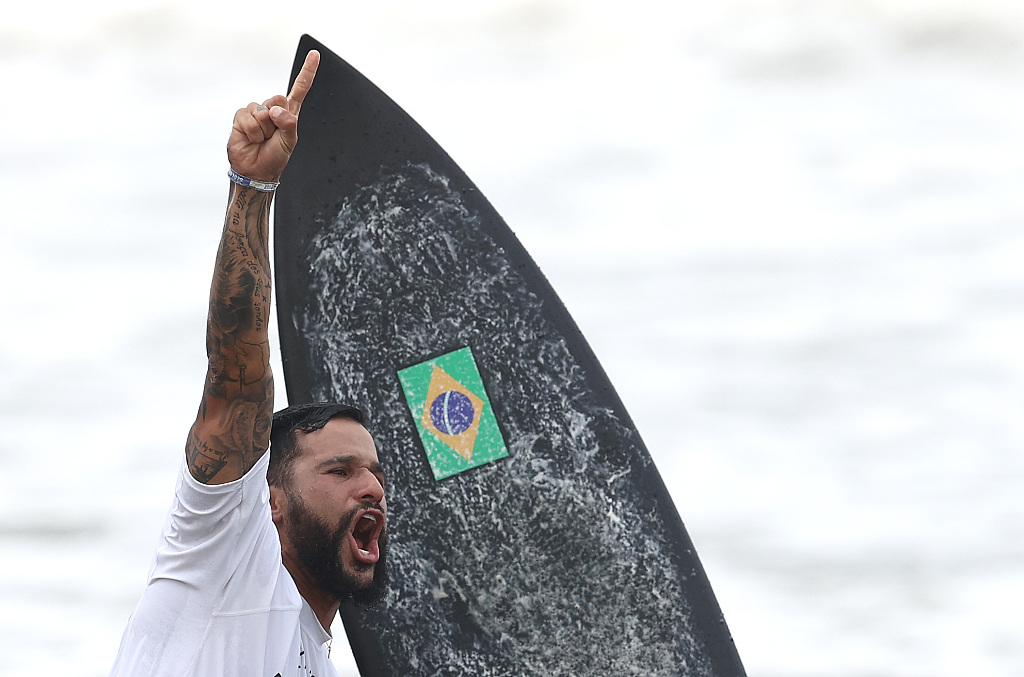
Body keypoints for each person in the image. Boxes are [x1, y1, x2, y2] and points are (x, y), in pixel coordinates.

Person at [109, 49, 389, 677]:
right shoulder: (223, 554)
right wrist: (253, 191)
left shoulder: (316, 662)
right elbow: (237, 377)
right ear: (270, 502)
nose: (370, 487)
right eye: (340, 470)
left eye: (372, 472)